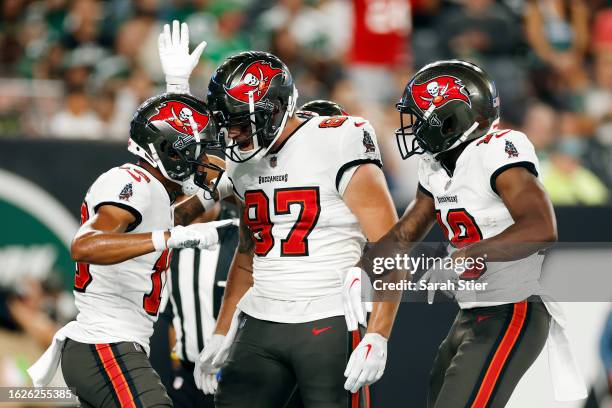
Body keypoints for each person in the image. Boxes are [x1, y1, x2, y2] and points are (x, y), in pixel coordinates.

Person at [156, 21, 402, 407]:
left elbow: (391, 245)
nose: (232, 135)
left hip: (328, 319)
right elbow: (246, 254)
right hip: (261, 322)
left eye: (239, 123)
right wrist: (222, 331)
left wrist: (378, 333)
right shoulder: (240, 163)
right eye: (227, 124)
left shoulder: (338, 137)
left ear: (274, 110)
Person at [345, 60, 586, 406]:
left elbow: (541, 228)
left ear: (450, 118)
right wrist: (363, 267)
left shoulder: (497, 149)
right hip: (472, 312)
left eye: (419, 118)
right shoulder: (436, 163)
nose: (412, 128)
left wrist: (464, 257)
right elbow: (405, 234)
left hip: (514, 307)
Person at [27, 92, 232, 407]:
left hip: (113, 344)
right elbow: (85, 244)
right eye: (197, 151)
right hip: (104, 344)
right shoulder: (133, 180)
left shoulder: (155, 191)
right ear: (170, 153)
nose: (204, 161)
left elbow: (172, 217)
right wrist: (171, 238)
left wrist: (221, 189)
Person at [162, 200, 239, 408]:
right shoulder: (171, 239)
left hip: (232, 374)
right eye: (179, 198)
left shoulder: (240, 235)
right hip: (186, 375)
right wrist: (177, 364)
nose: (187, 207)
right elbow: (172, 314)